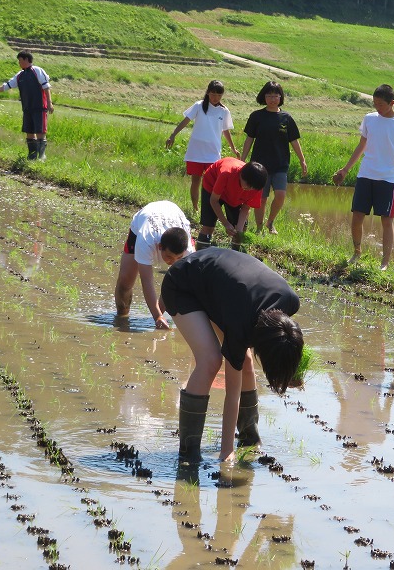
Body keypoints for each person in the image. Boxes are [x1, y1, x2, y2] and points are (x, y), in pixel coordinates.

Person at [161, 247, 304, 462]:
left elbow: (287, 343)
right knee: (210, 361)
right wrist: (227, 450)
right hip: (183, 284)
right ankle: (188, 453)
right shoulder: (241, 324)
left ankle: (250, 438)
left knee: (245, 361)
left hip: (223, 286)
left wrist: (290, 371)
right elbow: (232, 393)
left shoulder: (290, 302)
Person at [332, 84, 394, 270]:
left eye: (381, 104)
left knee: (387, 221)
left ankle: (384, 263)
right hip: (365, 174)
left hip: (388, 179)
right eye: (375, 103)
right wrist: (345, 169)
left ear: (392, 103)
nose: (377, 107)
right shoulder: (369, 119)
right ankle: (357, 252)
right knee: (357, 216)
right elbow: (361, 145)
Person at [114, 201, 194, 329]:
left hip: (173, 212)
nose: (173, 262)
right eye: (169, 257)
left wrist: (159, 315)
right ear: (160, 247)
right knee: (125, 281)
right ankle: (121, 317)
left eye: (178, 258)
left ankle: (158, 317)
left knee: (177, 280)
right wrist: (157, 316)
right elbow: (147, 282)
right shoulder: (145, 240)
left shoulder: (189, 251)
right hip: (147, 218)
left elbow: (174, 284)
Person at [241, 81, 307, 234]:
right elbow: (249, 139)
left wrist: (302, 160)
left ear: (280, 97)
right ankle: (259, 228)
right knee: (261, 198)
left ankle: (270, 222)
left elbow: (294, 141)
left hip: (280, 164)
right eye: (269, 96)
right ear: (264, 97)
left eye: (276, 96)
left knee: (280, 195)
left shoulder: (286, 118)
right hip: (259, 166)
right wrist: (242, 159)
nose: (272, 99)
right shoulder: (256, 116)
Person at [165, 80, 240, 212]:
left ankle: (210, 209)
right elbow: (185, 121)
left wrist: (233, 148)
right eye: (213, 94)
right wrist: (173, 135)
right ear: (208, 93)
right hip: (196, 151)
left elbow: (226, 131)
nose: (215, 98)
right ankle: (195, 208)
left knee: (213, 183)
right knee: (196, 181)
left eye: (219, 95)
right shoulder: (199, 106)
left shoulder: (224, 111)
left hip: (213, 153)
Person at [0, 50, 53, 161]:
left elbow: (46, 87)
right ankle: (32, 157)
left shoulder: (37, 70)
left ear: (26, 59)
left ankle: (41, 157)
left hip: (39, 107)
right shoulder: (20, 75)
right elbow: (6, 86)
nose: (19, 63)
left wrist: (49, 102)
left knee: (40, 132)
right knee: (29, 132)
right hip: (27, 108)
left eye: (20, 60)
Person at [194, 157, 267, 250]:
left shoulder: (256, 187)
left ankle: (236, 251)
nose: (250, 189)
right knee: (209, 226)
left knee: (240, 229)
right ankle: (201, 251)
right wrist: (226, 223)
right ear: (241, 175)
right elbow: (214, 200)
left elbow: (245, 208)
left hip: (233, 195)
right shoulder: (227, 173)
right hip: (212, 185)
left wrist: (239, 231)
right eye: (248, 186)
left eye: (253, 188)